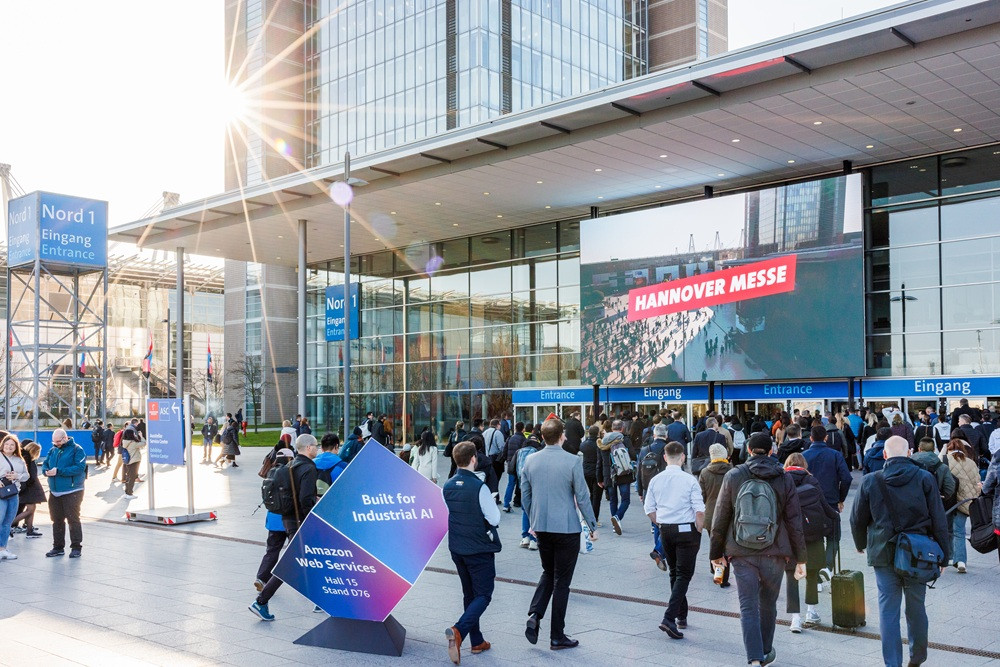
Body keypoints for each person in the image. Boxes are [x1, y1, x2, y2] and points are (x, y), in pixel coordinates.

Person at [850, 436, 950, 667]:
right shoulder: (925, 478)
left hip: (883, 553)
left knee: (888, 610)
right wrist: (945, 554)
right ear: (909, 453)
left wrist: (860, 544)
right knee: (916, 607)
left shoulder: (870, 480)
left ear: (884, 455)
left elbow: (857, 519)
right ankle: (917, 657)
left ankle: (892, 663)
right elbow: (938, 518)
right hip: (919, 555)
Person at [710, 432, 807, 667]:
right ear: (772, 451)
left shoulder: (734, 476)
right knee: (768, 605)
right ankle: (764, 652)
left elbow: (721, 516)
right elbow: (794, 520)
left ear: (749, 451)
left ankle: (754, 658)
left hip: (741, 551)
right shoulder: (784, 478)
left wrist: (715, 553)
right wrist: (801, 559)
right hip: (775, 552)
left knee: (747, 605)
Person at [521, 417, 598, 651]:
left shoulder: (530, 460)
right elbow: (583, 496)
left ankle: (535, 613)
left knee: (548, 571)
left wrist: (534, 516)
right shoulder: (572, 461)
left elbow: (525, 495)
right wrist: (592, 525)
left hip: (542, 526)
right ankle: (557, 635)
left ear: (542, 437)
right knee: (562, 581)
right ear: (562, 436)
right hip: (566, 528)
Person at [250, 434, 320, 620]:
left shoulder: (291, 465)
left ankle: (320, 599)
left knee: (308, 557)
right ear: (308, 448)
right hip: (300, 521)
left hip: (287, 518)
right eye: (315, 445)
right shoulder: (308, 468)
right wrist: (313, 513)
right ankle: (261, 601)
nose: (317, 448)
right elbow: (305, 499)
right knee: (290, 563)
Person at [444, 441, 502, 664]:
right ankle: (458, 631)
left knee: (469, 594)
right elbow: (494, 518)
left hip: (457, 547)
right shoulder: (480, 487)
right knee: (484, 594)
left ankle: (476, 641)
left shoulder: (447, 486)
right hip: (478, 548)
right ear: (474, 459)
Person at [644, 441, 704, 639]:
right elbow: (699, 509)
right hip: (687, 530)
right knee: (684, 575)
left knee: (675, 574)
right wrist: (699, 528)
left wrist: (660, 524)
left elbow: (649, 509)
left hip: (666, 530)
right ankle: (669, 617)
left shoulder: (656, 480)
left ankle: (681, 615)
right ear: (683, 457)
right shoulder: (689, 480)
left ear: (664, 457)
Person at [782, 453, 838, 633]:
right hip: (812, 535)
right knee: (812, 574)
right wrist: (835, 517)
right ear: (804, 465)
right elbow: (824, 506)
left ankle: (795, 619)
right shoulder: (811, 481)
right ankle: (811, 612)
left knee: (792, 576)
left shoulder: (782, 480)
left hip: (790, 537)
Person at [802, 424, 851, 578]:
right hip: (830, 502)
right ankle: (828, 567)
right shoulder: (835, 455)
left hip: (809, 503)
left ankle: (816, 574)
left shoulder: (804, 456)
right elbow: (847, 478)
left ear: (810, 438)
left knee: (815, 539)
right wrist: (841, 498)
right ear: (826, 437)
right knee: (834, 537)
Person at [254, 447, 296, 592]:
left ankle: (261, 577)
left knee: (272, 550)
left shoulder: (270, 473)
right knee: (295, 552)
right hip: (289, 519)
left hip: (273, 518)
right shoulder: (289, 474)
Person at [42, 428, 87, 558]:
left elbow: (79, 468)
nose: (56, 444)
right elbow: (45, 464)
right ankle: (58, 547)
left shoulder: (77, 449)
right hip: (55, 491)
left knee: (73, 519)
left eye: (58, 441)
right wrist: (46, 471)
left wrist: (59, 471)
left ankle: (76, 547)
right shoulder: (53, 450)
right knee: (56, 520)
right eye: (54, 441)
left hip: (72, 490)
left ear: (65, 438)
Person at [637, 423, 671, 569]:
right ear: (666, 435)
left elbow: (639, 471)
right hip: (665, 491)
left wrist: (640, 491)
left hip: (648, 490)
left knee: (655, 520)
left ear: (654, 435)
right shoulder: (670, 449)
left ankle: (659, 549)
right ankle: (659, 550)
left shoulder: (645, 449)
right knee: (665, 521)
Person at [944, 439, 981, 573]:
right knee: (959, 531)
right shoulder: (971, 462)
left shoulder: (945, 460)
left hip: (948, 501)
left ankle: (946, 556)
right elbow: (978, 484)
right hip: (964, 502)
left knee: (946, 529)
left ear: (949, 448)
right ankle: (961, 561)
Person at [699, 443, 732, 587]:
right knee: (726, 546)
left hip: (711, 514)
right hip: (729, 513)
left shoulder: (705, 472)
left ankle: (715, 569)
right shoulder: (732, 471)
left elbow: (702, 496)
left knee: (714, 542)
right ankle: (723, 578)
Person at [599, 419, 632, 536]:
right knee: (626, 500)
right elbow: (632, 455)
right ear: (622, 428)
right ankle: (617, 517)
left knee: (613, 500)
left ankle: (615, 524)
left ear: (612, 428)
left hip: (609, 475)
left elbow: (600, 462)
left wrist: (600, 478)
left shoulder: (603, 441)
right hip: (623, 473)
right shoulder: (625, 440)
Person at [0, 435, 29, 560]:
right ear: (2, 444)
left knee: (7, 522)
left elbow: (27, 475)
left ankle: (3, 549)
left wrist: (17, 476)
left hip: (13, 493)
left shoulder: (19, 459)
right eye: (7, 444)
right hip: (0, 493)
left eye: (12, 445)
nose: (9, 447)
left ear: (16, 447)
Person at [13, 441, 45, 539]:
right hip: (29, 489)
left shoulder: (23, 458)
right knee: (30, 510)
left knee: (31, 509)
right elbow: (30, 477)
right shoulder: (28, 460)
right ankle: (9, 524)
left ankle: (30, 530)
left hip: (29, 489)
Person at [500, 422, 526, 512]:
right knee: (521, 485)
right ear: (523, 429)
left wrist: (507, 460)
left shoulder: (510, 438)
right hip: (519, 464)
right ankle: (523, 504)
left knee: (510, 484)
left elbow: (505, 451)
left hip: (511, 463)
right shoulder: (523, 439)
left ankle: (506, 504)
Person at [579, 425, 601, 525]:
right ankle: (594, 518)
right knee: (597, 496)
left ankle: (588, 516)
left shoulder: (584, 444)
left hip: (586, 472)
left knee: (591, 494)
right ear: (598, 433)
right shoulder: (599, 444)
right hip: (596, 472)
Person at [121, 426, 147, 500]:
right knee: (132, 478)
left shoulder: (124, 442)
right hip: (134, 461)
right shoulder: (133, 443)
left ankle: (126, 492)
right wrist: (141, 436)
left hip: (128, 461)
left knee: (129, 477)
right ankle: (129, 493)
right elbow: (144, 443)